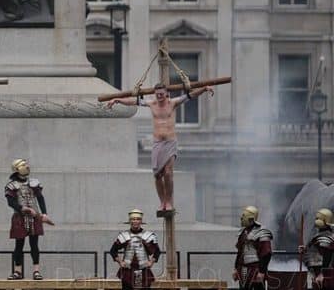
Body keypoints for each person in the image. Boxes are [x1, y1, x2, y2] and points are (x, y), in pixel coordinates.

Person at [106, 83, 214, 212]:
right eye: (157, 95)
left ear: (166, 94)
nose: (160, 97)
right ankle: (162, 201)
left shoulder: (173, 102)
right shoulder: (152, 104)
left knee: (168, 173)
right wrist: (117, 100)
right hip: (157, 143)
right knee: (157, 175)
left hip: (170, 142)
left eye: (162, 94)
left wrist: (204, 89)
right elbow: (133, 101)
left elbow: (190, 95)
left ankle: (169, 201)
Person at [5, 159, 51, 280]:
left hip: (34, 217)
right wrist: (22, 208)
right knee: (19, 245)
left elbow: (40, 198)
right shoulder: (11, 185)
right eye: (23, 165)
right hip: (19, 217)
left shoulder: (34, 183)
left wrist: (44, 213)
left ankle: (36, 271)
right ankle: (18, 271)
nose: (27, 166)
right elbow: (11, 202)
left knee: (34, 244)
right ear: (17, 169)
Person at [110, 209, 160, 290]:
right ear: (130, 221)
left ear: (141, 221)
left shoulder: (149, 235)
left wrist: (151, 262)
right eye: (133, 219)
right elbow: (113, 250)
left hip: (144, 270)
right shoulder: (124, 235)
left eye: (138, 219)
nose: (135, 221)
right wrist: (120, 262)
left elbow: (157, 251)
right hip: (128, 270)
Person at [234, 206, 273, 290]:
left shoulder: (262, 232)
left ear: (251, 218)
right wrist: (236, 269)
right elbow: (240, 253)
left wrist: (261, 272)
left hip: (256, 269)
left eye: (244, 216)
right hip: (243, 269)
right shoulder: (242, 232)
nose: (241, 218)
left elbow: (266, 254)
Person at [300, 208, 334, 290]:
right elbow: (315, 251)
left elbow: (327, 256)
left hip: (323, 276)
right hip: (316, 273)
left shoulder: (325, 237)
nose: (316, 220)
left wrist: (322, 274)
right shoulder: (321, 235)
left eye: (319, 218)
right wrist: (305, 249)